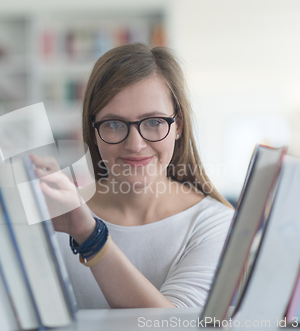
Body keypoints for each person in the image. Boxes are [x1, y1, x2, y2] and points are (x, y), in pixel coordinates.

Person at [30, 43, 234, 309]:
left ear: (178, 126)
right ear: (93, 131)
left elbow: (176, 326)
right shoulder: (55, 217)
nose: (135, 144)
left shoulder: (214, 223)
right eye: (114, 124)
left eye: (153, 122)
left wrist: (90, 236)